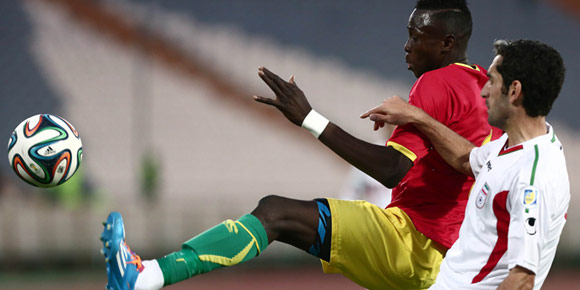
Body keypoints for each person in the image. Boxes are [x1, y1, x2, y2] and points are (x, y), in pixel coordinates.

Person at [100, 1, 499, 289]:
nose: (406, 46)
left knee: (276, 214)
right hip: (455, 256)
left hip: (416, 245)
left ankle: (145, 275)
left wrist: (309, 118)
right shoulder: (480, 85)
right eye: (407, 35)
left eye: (416, 37)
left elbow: (392, 170)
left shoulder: (437, 82)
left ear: (447, 43)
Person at [361, 39, 569, 289]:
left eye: (491, 81)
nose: (484, 91)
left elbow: (522, 279)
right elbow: (468, 159)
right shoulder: (513, 145)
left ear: (514, 91)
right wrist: (416, 115)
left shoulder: (533, 179)